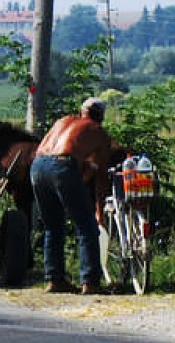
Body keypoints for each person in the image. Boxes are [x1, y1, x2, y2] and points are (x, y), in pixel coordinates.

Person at [30, 96, 115, 295]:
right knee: (87, 227)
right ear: (101, 116)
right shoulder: (97, 131)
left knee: (52, 226)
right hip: (62, 165)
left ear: (81, 111)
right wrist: (98, 211)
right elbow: (101, 176)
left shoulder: (63, 121)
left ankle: (54, 279)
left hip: (38, 166)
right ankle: (90, 282)